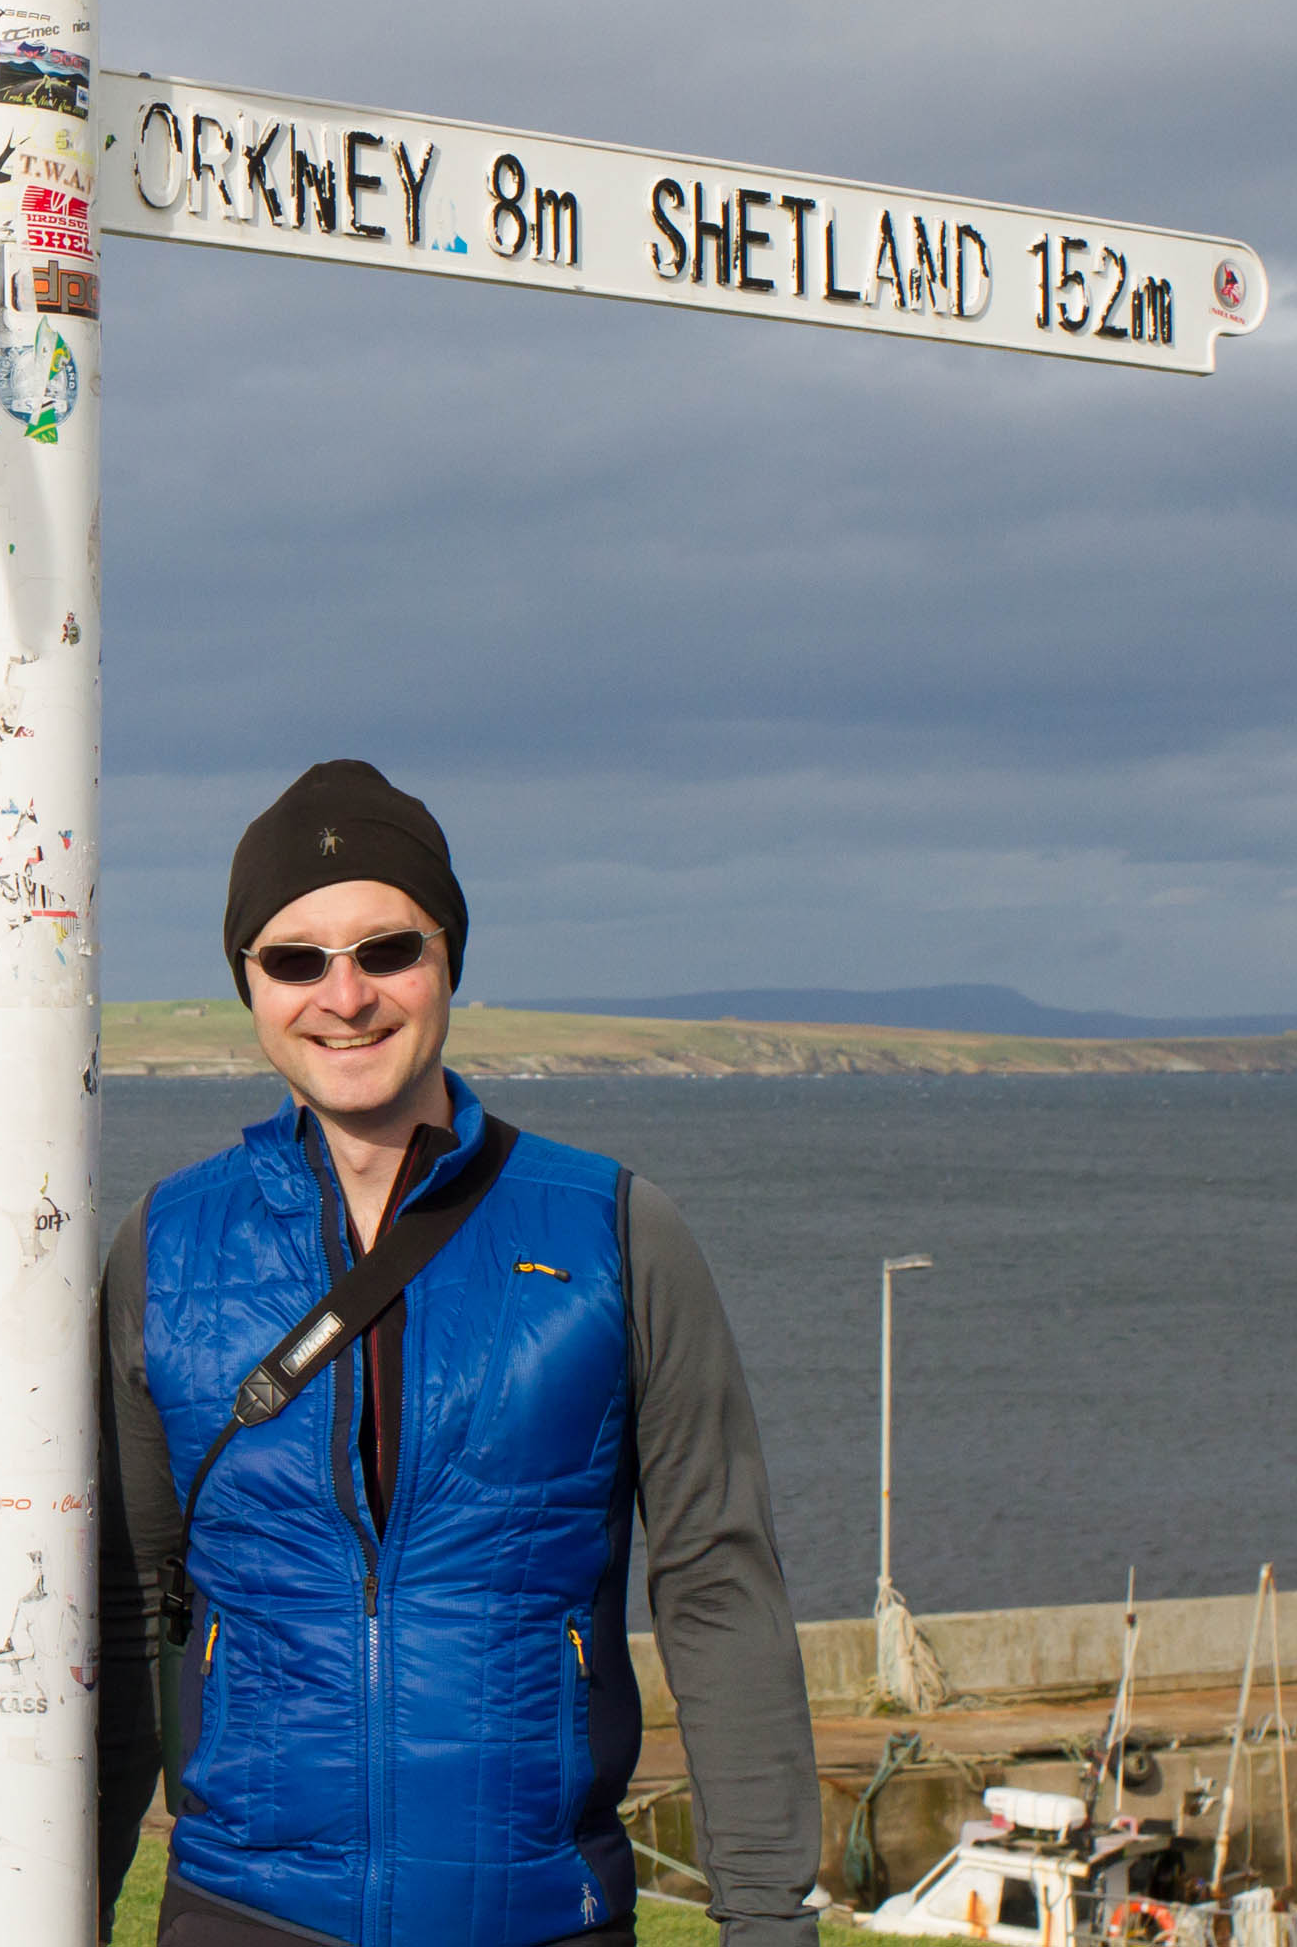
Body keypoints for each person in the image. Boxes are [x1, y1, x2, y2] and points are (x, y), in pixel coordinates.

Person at [96, 761, 819, 1947]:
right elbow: (125, 1608)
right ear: (246, 983)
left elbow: (715, 1590)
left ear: (448, 961)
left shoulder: (613, 1232)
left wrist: (767, 1920)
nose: (344, 996)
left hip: (538, 1913)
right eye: (293, 960)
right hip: (243, 1913)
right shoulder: (166, 1244)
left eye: (387, 949)